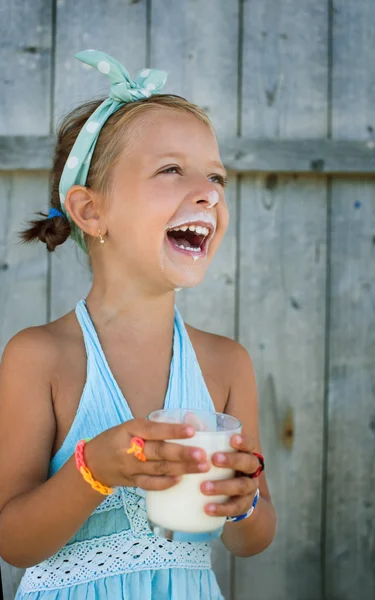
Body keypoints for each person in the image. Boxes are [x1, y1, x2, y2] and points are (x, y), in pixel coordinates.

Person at [0, 50, 277, 599]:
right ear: (90, 211)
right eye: (172, 169)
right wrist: (94, 468)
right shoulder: (40, 357)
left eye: (216, 175)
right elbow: (14, 542)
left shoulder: (227, 363)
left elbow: (253, 539)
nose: (210, 192)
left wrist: (242, 503)